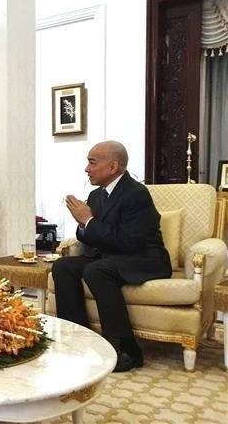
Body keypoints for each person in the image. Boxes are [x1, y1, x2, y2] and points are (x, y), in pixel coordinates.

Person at [52, 140, 172, 372]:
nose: (86, 169)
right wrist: (83, 224)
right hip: (110, 257)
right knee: (64, 266)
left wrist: (88, 221)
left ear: (113, 167)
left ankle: (126, 349)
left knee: (96, 270)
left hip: (144, 258)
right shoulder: (97, 196)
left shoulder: (136, 193)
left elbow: (130, 241)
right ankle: (78, 340)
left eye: (92, 162)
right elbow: (91, 236)